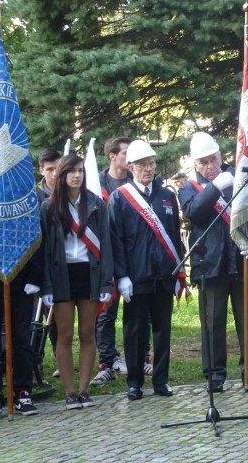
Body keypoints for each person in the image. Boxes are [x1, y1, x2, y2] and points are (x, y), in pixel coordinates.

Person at [178, 132, 248, 392]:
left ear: (221, 156)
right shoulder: (189, 187)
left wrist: (230, 180)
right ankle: (215, 375)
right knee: (213, 323)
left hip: (242, 259)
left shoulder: (237, 177)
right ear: (195, 164)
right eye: (204, 162)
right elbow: (195, 212)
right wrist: (215, 186)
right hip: (210, 265)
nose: (210, 167)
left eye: (213, 160)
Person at [109, 140, 182, 400]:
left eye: (152, 164)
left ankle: (161, 380)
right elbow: (115, 240)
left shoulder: (167, 196)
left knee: (163, 331)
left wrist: (178, 271)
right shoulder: (120, 198)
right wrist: (122, 276)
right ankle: (134, 382)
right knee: (135, 331)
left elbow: (174, 236)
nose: (149, 169)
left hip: (163, 275)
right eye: (143, 165)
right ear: (131, 167)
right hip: (136, 276)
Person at [41, 154, 114, 409]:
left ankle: (84, 390)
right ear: (61, 175)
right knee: (65, 334)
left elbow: (105, 244)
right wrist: (46, 286)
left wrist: (107, 283)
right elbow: (45, 250)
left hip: (89, 273)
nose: (77, 175)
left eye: (80, 171)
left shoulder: (96, 204)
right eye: (71, 171)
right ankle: (69, 392)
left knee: (87, 333)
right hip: (61, 276)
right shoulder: (49, 207)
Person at [0, 250, 42, 420]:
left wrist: (34, 276)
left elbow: (34, 234)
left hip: (21, 278)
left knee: (21, 338)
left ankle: (23, 392)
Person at [91, 136, 132, 385]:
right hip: (105, 255)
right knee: (106, 312)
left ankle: (142, 357)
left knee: (138, 309)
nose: (131, 158)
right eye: (126, 153)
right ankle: (107, 361)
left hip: (131, 252)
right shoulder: (97, 182)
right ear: (113, 156)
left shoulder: (134, 180)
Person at [34, 148, 61, 376]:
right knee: (36, 316)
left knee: (57, 318)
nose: (54, 173)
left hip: (61, 264)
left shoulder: (69, 193)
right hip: (38, 263)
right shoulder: (34, 197)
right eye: (49, 169)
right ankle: (35, 362)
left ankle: (60, 358)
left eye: (57, 168)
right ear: (41, 170)